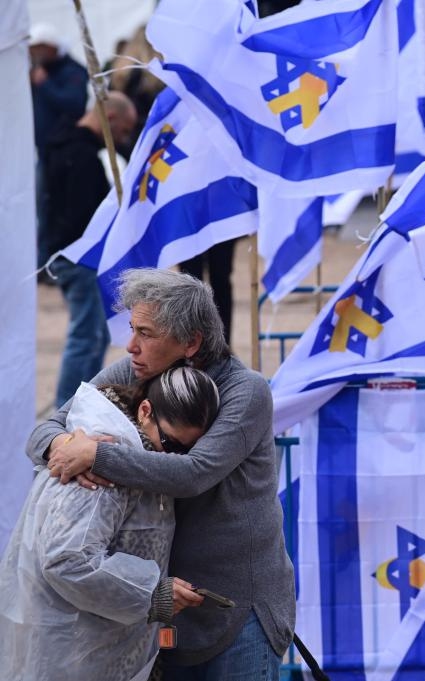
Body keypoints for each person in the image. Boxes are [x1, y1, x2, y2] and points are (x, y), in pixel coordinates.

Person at [31, 268, 296, 680]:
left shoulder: (246, 390)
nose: (131, 346)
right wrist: (62, 447)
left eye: (146, 334)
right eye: (131, 329)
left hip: (240, 612)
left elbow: (193, 472)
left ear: (191, 343)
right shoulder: (135, 370)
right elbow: (43, 431)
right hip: (159, 608)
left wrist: (96, 456)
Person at [0, 366, 220, 681]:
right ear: (145, 411)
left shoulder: (135, 447)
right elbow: (66, 559)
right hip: (67, 658)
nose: (172, 459)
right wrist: (152, 593)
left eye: (187, 453)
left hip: (95, 654)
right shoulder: (104, 456)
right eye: (172, 446)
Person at [43, 91, 138, 409]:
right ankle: (66, 407)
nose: (124, 139)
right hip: (79, 256)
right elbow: (83, 213)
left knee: (95, 334)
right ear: (109, 119)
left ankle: (79, 404)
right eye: (123, 130)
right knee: (86, 336)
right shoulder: (80, 154)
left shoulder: (64, 143)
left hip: (74, 255)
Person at [29, 23, 89, 272]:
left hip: (66, 155)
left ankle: (58, 262)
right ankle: (44, 263)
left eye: (39, 48)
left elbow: (75, 104)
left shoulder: (71, 71)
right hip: (43, 152)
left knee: (60, 207)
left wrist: (45, 86)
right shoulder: (37, 72)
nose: (34, 53)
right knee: (43, 206)